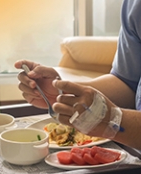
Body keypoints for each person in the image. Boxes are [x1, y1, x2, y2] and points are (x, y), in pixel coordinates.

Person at [14, 0, 141, 150]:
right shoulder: (134, 6)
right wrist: (67, 93)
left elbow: (118, 121)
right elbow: (127, 83)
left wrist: (115, 121)